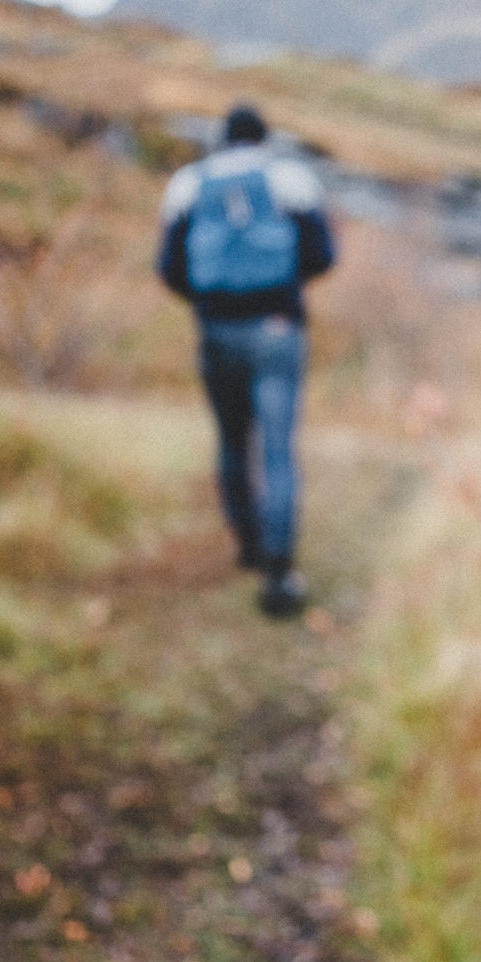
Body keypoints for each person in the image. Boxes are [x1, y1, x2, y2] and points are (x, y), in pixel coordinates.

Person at [156, 105, 335, 615]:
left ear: (223, 139)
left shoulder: (189, 184)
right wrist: (280, 298)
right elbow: (321, 255)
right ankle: (279, 571)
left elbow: (169, 267)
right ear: (263, 137)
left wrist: (212, 306)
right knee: (277, 448)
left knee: (233, 439)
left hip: (216, 332)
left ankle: (248, 546)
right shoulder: (288, 178)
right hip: (277, 330)